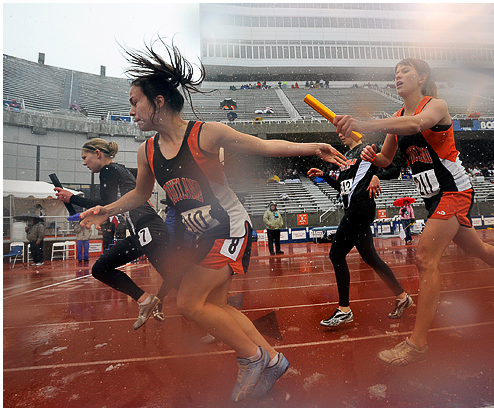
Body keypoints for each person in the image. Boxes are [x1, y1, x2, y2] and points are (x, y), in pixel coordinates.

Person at [77, 38, 345, 403]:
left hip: (230, 226)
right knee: (214, 307)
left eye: (135, 102)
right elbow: (141, 194)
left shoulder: (205, 134)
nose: (131, 111)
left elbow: (264, 146)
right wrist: (106, 210)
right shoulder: (147, 150)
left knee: (189, 303)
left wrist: (313, 146)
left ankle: (252, 358)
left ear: (158, 102)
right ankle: (272, 359)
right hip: (203, 235)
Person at [333, 57, 494, 366]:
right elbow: (386, 159)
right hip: (432, 197)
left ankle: (417, 344)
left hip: (454, 191)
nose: (398, 75)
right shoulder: (398, 117)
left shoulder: (436, 106)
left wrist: (363, 124)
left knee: (424, 259)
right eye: (396, 72)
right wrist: (371, 155)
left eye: (405, 71)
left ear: (422, 78)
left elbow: (416, 125)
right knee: (478, 249)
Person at [54, 137, 175, 331]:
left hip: (148, 229)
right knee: (101, 268)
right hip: (142, 231)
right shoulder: (121, 169)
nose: (84, 163)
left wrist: (72, 198)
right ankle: (147, 301)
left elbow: (105, 203)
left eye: (85, 157)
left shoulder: (108, 170)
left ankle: (212, 309)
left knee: (176, 279)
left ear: (97, 154)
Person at [307, 134, 413, 327]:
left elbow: (393, 168)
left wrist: (376, 176)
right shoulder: (345, 156)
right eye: (338, 131)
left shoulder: (367, 149)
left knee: (336, 254)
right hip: (353, 208)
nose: (340, 133)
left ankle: (344, 310)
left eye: (343, 129)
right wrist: (324, 176)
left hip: (360, 208)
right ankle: (402, 296)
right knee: (371, 258)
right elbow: (342, 188)